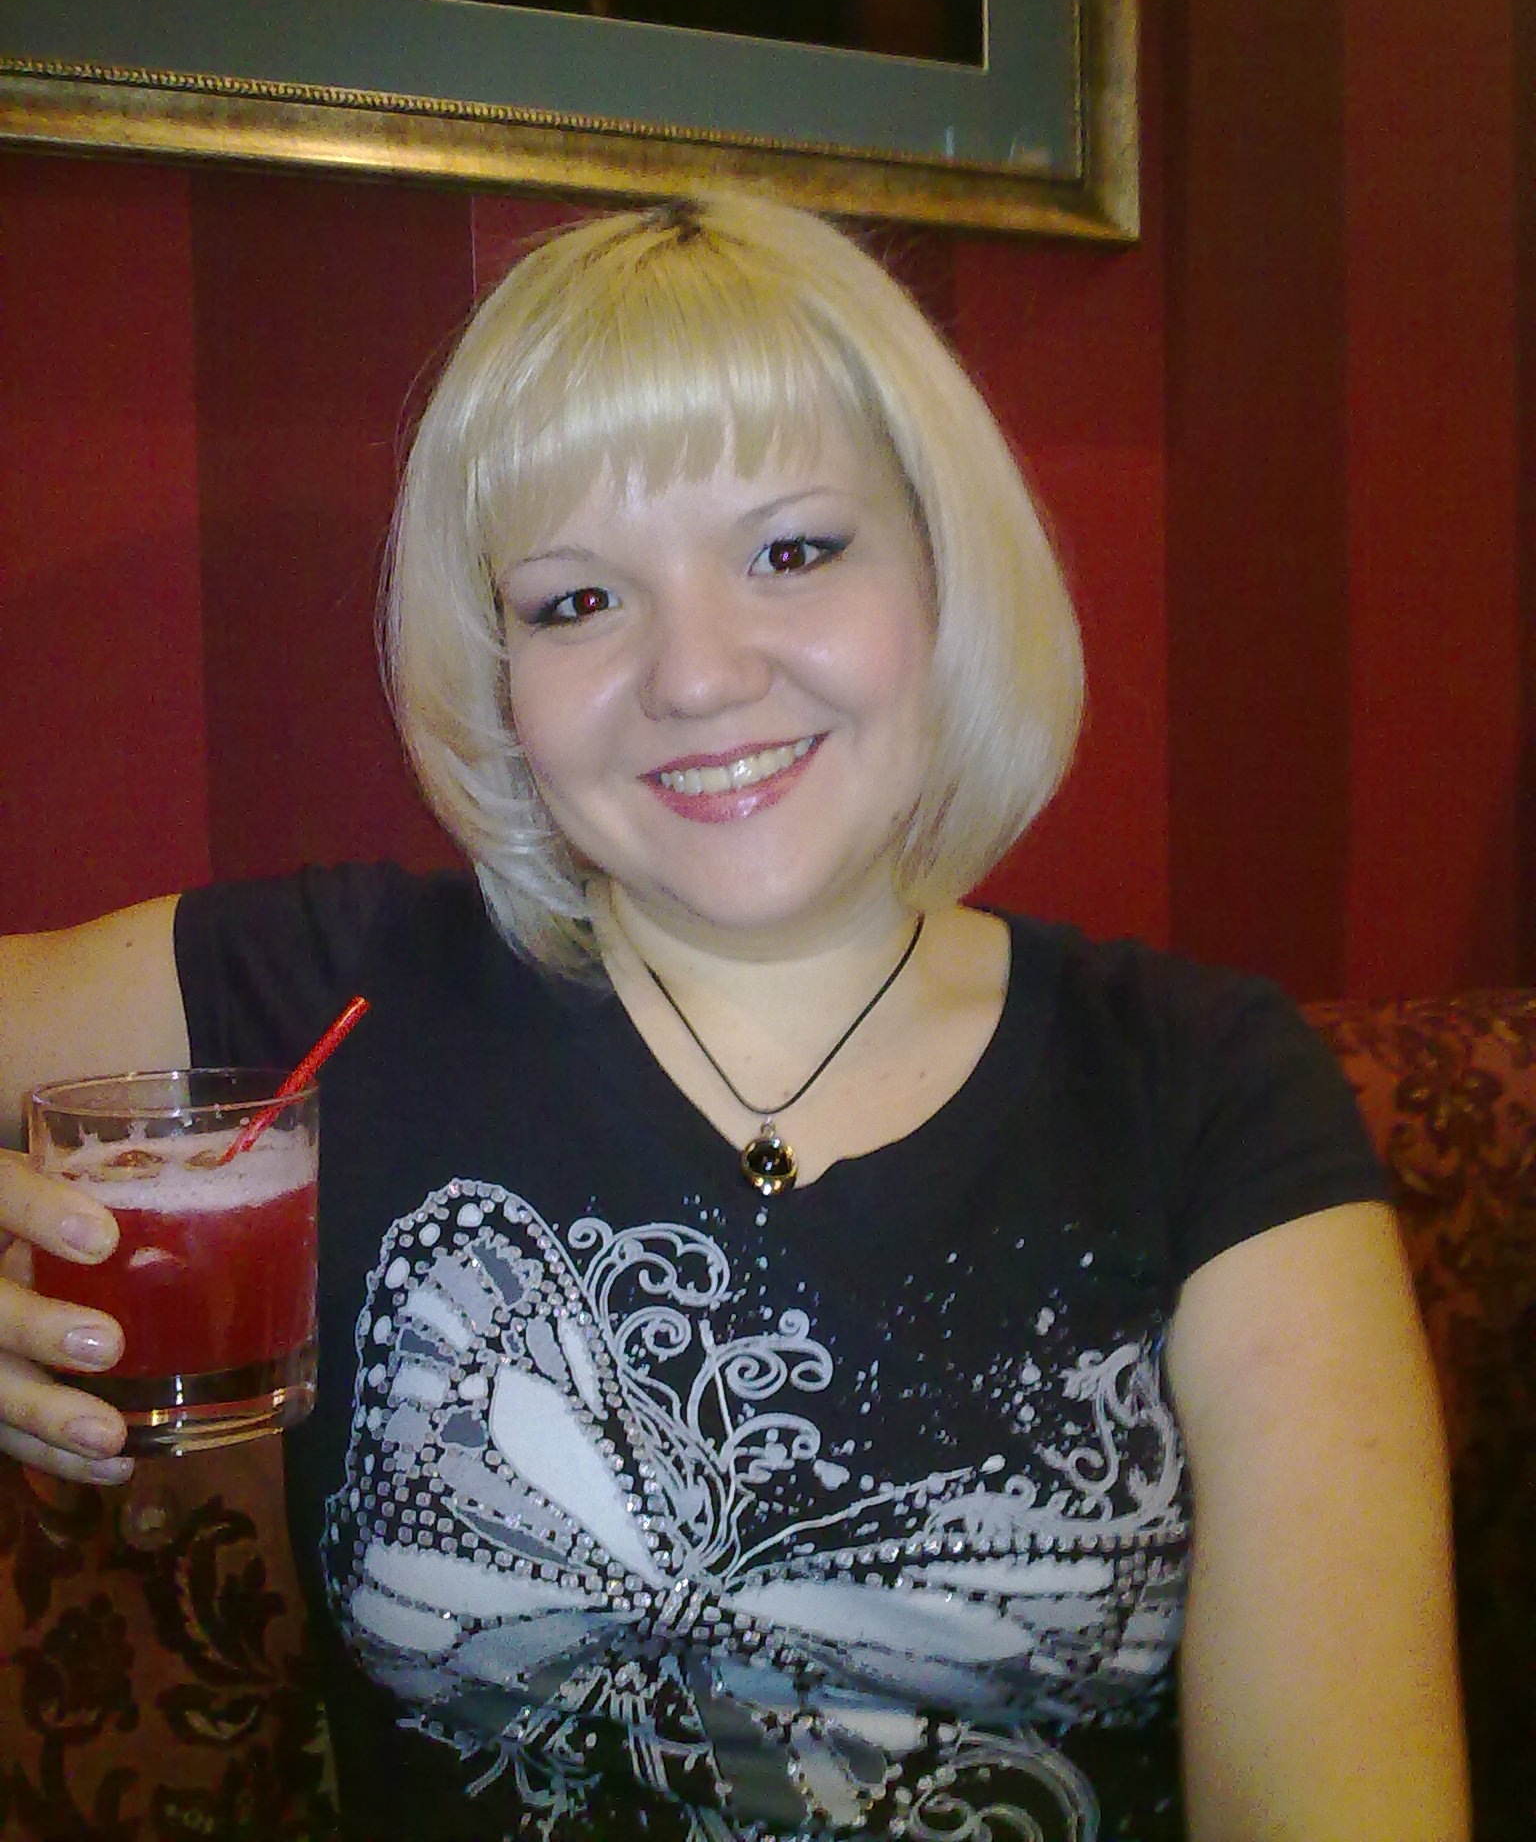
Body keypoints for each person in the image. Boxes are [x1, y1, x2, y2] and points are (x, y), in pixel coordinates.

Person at [0, 193, 1467, 1840]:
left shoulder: (1204, 1086)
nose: (696, 676)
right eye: (577, 602)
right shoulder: (335, 986)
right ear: (499, 672)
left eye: (792, 551)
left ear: (942, 578)